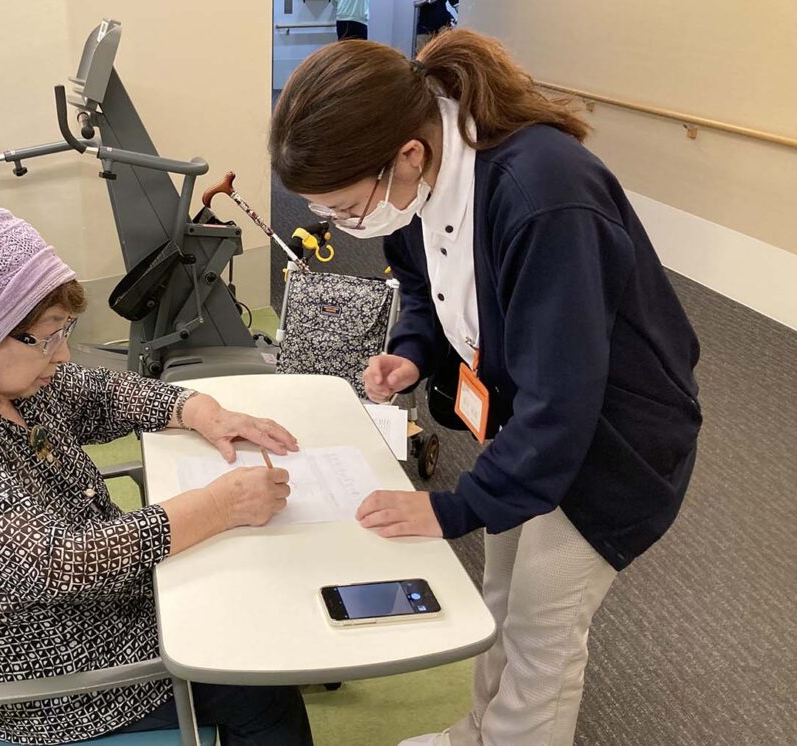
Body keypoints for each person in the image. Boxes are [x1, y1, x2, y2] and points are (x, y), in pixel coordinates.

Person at [270, 30, 701, 746]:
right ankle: (478, 731)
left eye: (345, 209)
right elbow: (422, 282)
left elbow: (563, 402)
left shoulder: (543, 193)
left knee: (542, 632)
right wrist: (411, 353)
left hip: (614, 439)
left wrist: (452, 509)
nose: (346, 226)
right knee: (498, 595)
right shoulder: (415, 178)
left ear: (408, 155)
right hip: (527, 416)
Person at [0, 206, 315, 745]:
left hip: (92, 611)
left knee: (243, 597)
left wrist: (196, 409)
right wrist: (217, 507)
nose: (63, 353)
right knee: (259, 685)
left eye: (63, 331)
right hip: (46, 671)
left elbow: (95, 393)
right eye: (49, 336)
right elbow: (59, 561)